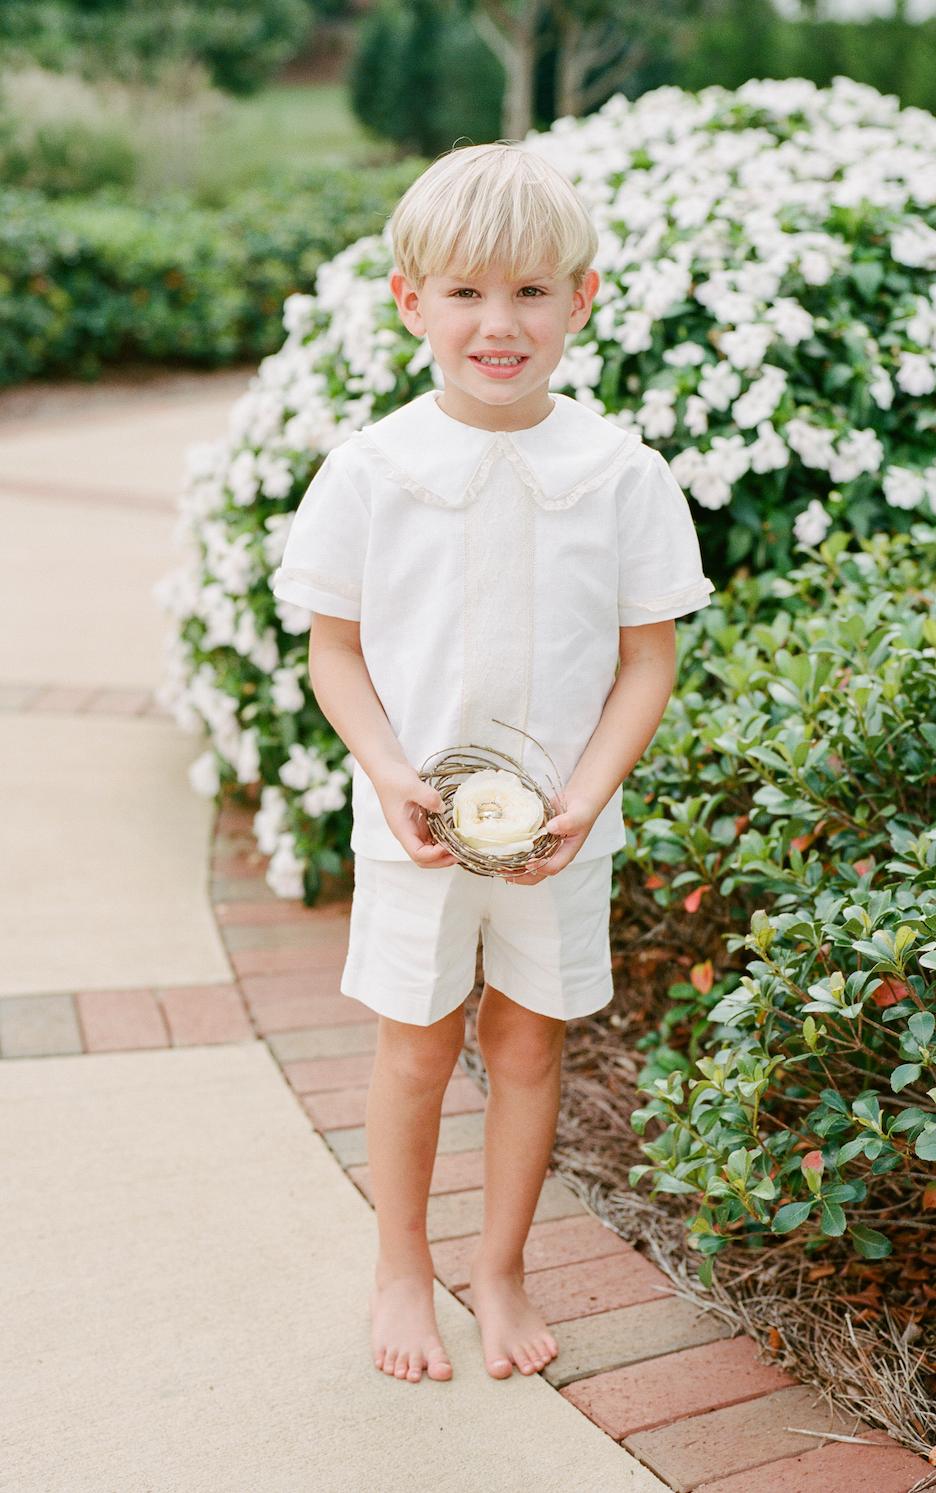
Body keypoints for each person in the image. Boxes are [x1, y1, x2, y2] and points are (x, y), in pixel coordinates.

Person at [271, 141, 715, 1387]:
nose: (499, 322)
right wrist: (387, 770)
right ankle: (401, 1263)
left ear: (585, 300)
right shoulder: (371, 471)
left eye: (531, 290)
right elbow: (337, 653)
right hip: (412, 821)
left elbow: (645, 660)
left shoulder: (624, 474)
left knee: (530, 1042)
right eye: (466, 292)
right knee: (415, 1041)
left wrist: (588, 797)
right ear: (411, 301)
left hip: (565, 830)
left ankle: (502, 1261)